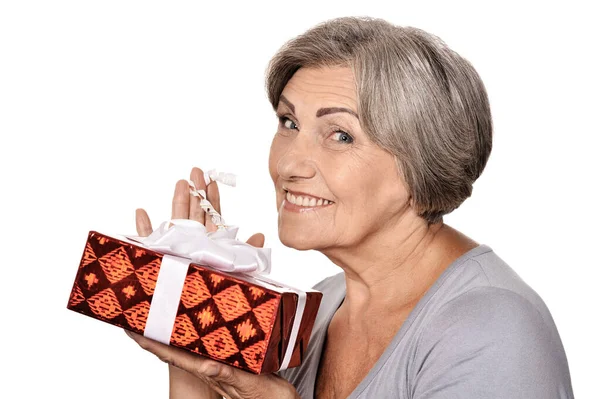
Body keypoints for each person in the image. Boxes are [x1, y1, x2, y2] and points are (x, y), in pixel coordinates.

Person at [124, 16, 574, 398]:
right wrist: (190, 347)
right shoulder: (322, 305)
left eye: (340, 135)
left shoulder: (491, 328)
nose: (288, 164)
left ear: (422, 162)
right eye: (289, 122)